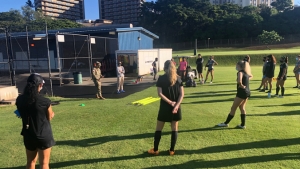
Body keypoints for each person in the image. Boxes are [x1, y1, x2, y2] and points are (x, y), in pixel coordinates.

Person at [16, 73, 55, 169]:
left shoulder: (20, 99)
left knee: (30, 162)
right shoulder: (45, 101)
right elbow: (49, 116)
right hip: (43, 135)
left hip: (28, 134)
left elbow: (21, 113)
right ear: (40, 85)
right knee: (44, 164)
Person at [148, 60, 184, 156]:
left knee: (159, 128)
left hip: (164, 107)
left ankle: (155, 150)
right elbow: (182, 95)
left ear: (164, 67)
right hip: (176, 108)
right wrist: (176, 106)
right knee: (174, 129)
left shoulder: (161, 78)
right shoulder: (179, 78)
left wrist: (170, 103)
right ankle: (171, 150)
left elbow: (160, 94)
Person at [217, 60, 253, 129]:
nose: (236, 66)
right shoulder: (246, 73)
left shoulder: (240, 72)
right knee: (242, 108)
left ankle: (226, 123)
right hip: (247, 92)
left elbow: (239, 81)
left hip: (241, 93)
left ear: (239, 66)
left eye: (236, 65)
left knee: (233, 108)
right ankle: (242, 125)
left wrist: (242, 85)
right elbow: (251, 76)